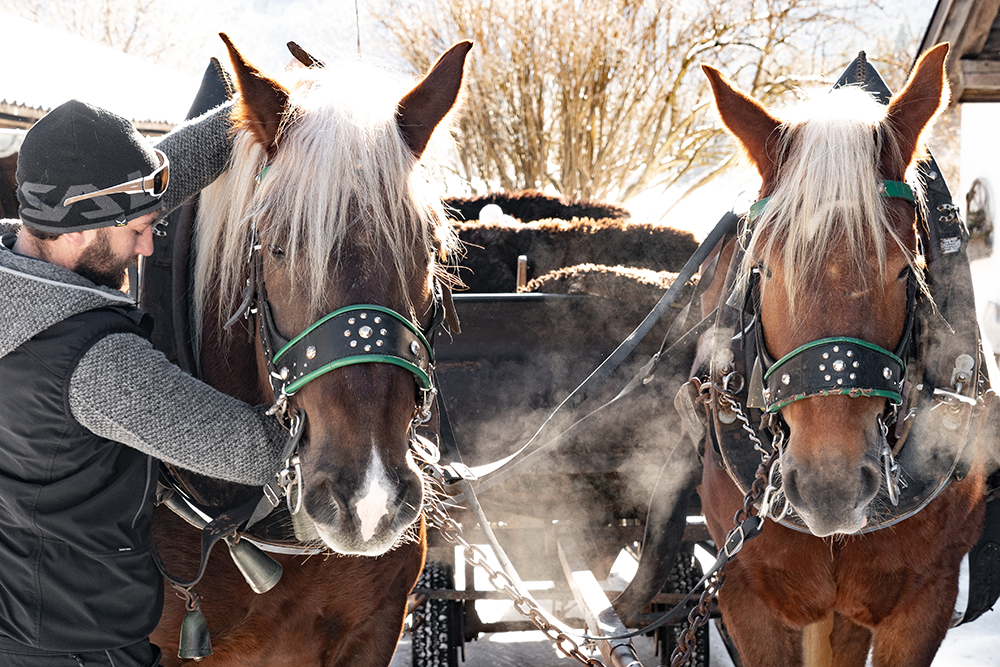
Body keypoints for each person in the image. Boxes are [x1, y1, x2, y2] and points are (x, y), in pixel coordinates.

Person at [0, 99, 288, 666]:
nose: (149, 248)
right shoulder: (93, 364)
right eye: (139, 230)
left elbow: (166, 169)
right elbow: (256, 450)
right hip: (80, 653)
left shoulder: (19, 284)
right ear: (81, 232)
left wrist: (264, 104)